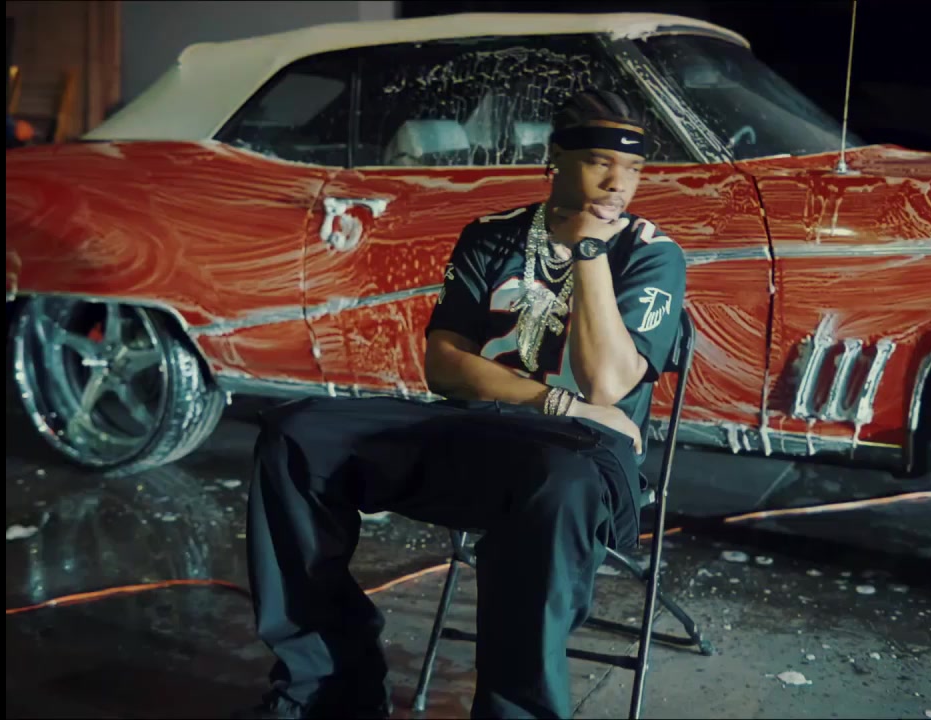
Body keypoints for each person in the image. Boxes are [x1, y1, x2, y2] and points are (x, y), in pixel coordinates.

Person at [236, 89, 687, 719]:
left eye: (633, 168)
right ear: (556, 159)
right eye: (599, 162)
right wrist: (558, 403)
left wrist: (589, 251)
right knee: (297, 433)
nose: (618, 183)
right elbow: (445, 366)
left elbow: (607, 384)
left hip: (584, 458)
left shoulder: (651, 253)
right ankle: (328, 688)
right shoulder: (492, 236)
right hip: (483, 432)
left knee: (556, 486)